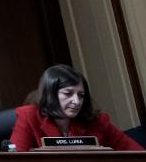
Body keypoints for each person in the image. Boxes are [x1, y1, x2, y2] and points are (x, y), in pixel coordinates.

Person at [9, 64, 143, 152]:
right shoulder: (29, 116)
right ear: (51, 94)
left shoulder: (98, 121)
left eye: (81, 95)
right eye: (68, 93)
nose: (77, 101)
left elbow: (137, 155)